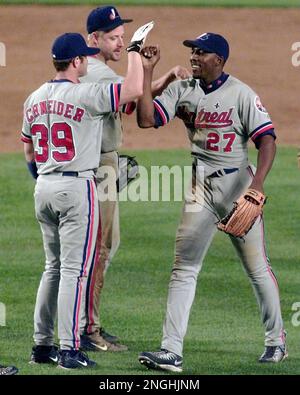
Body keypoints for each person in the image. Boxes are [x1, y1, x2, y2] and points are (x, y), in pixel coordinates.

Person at [137, 33, 287, 372]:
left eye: (200, 52)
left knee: (256, 267)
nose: (193, 56)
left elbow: (267, 140)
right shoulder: (181, 88)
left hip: (239, 188)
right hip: (199, 189)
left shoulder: (241, 93)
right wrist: (148, 73)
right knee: (183, 267)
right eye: (192, 50)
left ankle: (276, 341)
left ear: (218, 59)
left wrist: (258, 186)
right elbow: (147, 119)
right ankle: (170, 350)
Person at [21, 30, 145, 369]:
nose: (88, 61)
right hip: (77, 189)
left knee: (52, 269)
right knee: (75, 271)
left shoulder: (34, 97)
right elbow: (133, 90)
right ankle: (69, 350)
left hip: (43, 186)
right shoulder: (86, 93)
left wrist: (47, 181)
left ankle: (41, 347)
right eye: (84, 57)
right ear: (75, 62)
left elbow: (29, 150)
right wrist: (134, 51)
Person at [79, 5, 191, 353]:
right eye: (113, 38)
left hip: (101, 165)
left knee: (101, 248)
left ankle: (86, 324)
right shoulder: (96, 72)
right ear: (93, 39)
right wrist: (145, 66)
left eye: (122, 37)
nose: (119, 42)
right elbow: (131, 95)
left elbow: (132, 95)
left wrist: (162, 75)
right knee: (99, 250)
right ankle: (88, 330)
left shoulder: (99, 71)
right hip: (97, 168)